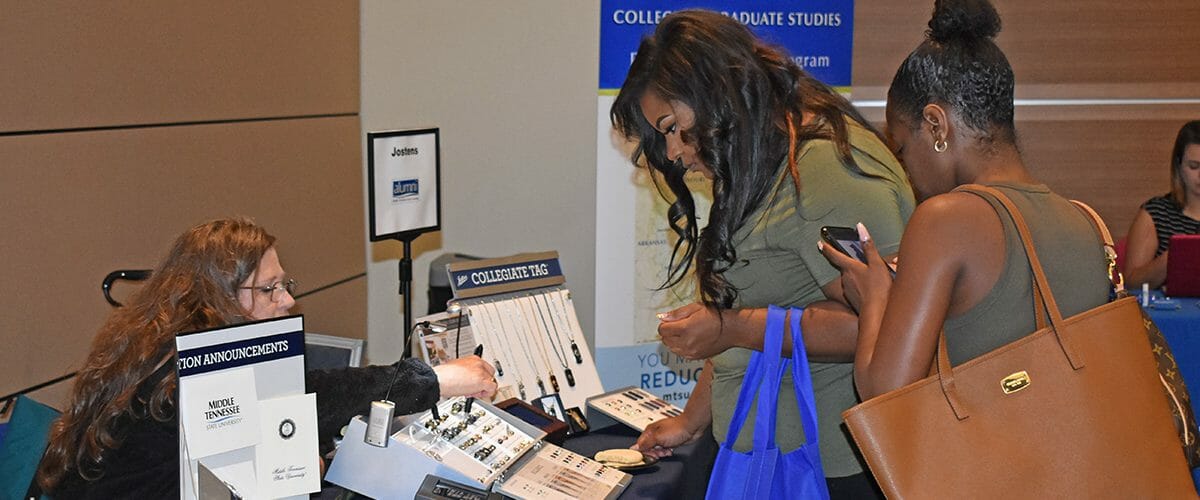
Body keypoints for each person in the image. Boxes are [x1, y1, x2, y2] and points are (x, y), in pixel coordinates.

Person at [609, 9, 915, 497]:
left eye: (670, 127)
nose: (671, 153)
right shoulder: (759, 160)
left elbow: (888, 326)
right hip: (766, 458)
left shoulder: (826, 170)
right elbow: (756, 307)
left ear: (711, 91)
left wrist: (731, 327)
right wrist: (691, 421)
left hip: (828, 470)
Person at [36, 217, 497, 498]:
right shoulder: (190, 368)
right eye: (269, 289)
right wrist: (437, 380)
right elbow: (314, 395)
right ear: (218, 296)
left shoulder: (155, 345)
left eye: (284, 284)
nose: (287, 300)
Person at [819, 0, 1110, 401]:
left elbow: (886, 392)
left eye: (902, 148)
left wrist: (874, 296)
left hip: (991, 442)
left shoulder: (944, 219)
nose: (906, 169)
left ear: (936, 125)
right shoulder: (1084, 220)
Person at [1123, 120, 1200, 289]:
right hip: (1171, 305)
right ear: (1178, 165)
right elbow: (1132, 283)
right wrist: (1177, 256)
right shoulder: (1156, 213)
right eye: (1194, 166)